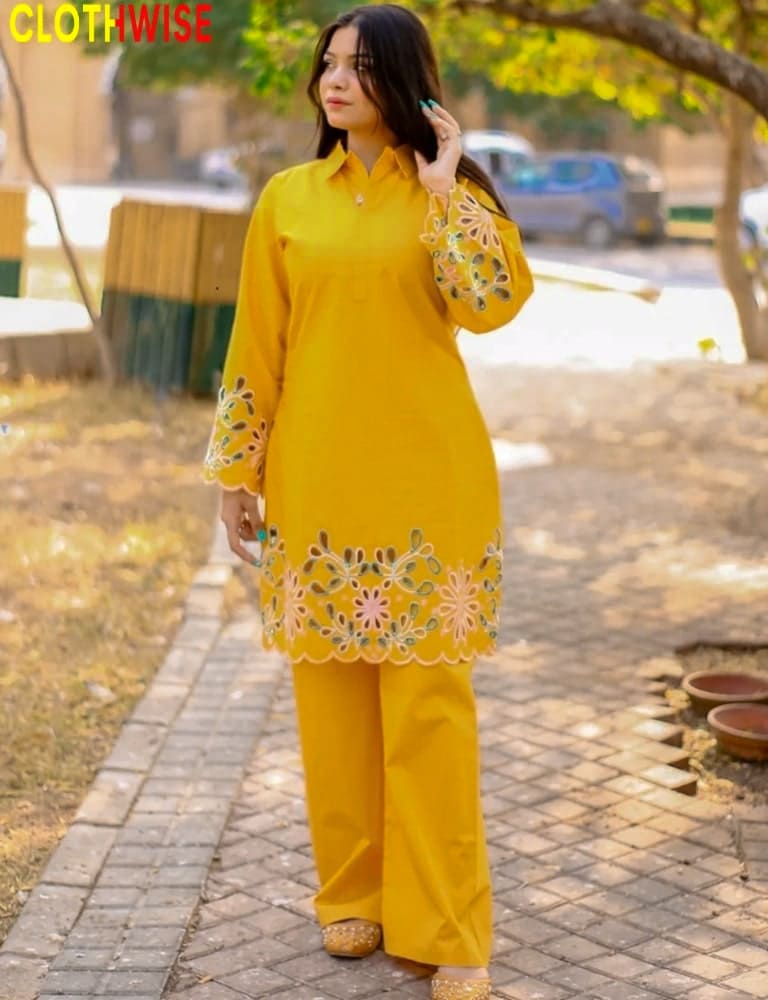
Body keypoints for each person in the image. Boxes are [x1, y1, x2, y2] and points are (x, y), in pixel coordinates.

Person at [201, 4, 533, 997]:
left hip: (430, 490)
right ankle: (354, 892)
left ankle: (451, 925)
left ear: (406, 82)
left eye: (358, 65)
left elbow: (492, 304)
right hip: (316, 485)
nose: (334, 80)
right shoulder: (288, 201)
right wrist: (235, 472)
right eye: (327, 64)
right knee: (332, 708)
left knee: (430, 716)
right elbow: (256, 345)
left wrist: (444, 192)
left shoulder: (446, 200)